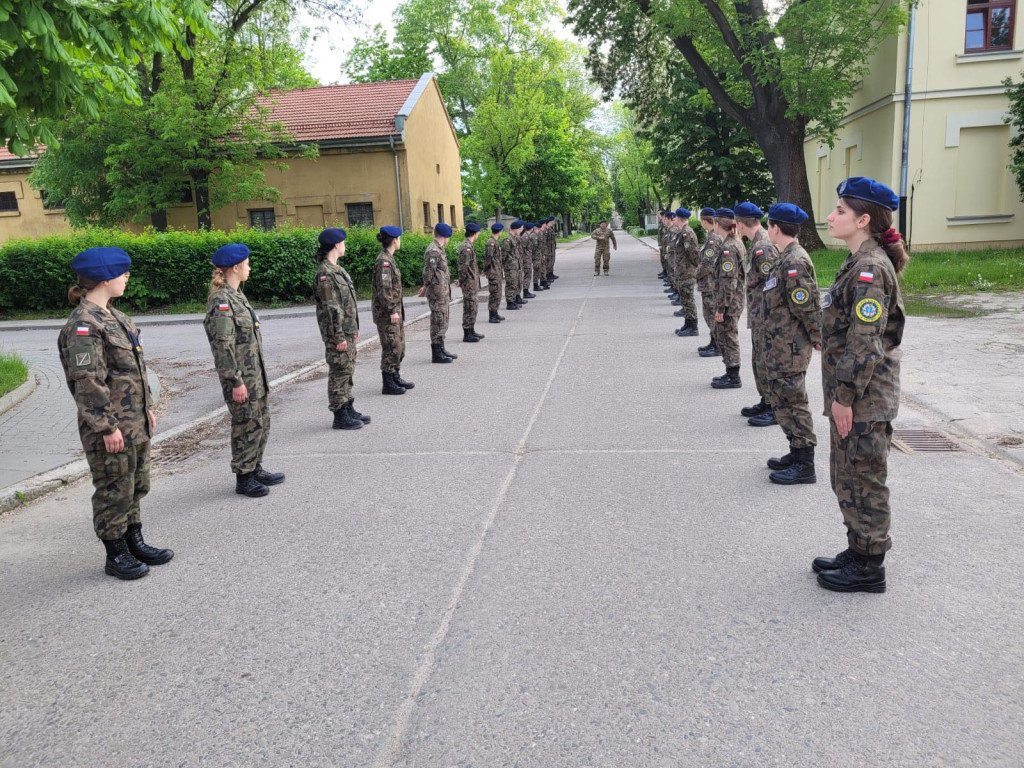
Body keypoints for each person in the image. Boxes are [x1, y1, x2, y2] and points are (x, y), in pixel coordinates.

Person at [814, 177, 908, 594]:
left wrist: (845, 397)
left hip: (864, 398)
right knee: (847, 476)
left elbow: (865, 342)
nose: (831, 217)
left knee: (864, 479)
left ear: (863, 219)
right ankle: (859, 548)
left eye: (839, 211)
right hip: (854, 395)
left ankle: (871, 567)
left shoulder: (870, 268)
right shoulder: (858, 261)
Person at [58, 246, 172, 580]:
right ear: (106, 278)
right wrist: (106, 427)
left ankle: (134, 541)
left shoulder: (115, 317)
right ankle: (115, 554)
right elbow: (87, 381)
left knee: (134, 485)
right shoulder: (83, 326)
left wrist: (147, 408)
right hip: (110, 426)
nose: (127, 277)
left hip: (133, 421)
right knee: (113, 489)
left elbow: (135, 369)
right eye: (123, 273)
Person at [203, 243, 285, 498]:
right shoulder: (222, 301)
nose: (250, 268)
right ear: (236, 268)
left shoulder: (236, 295)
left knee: (260, 422)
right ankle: (244, 476)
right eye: (247, 264)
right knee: (246, 424)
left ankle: (255, 466)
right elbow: (223, 347)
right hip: (240, 378)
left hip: (254, 376)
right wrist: (234, 381)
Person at [760, 204, 821, 485]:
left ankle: (805, 464)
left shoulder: (794, 261)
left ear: (775, 227)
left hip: (790, 346)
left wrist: (818, 337)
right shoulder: (784, 257)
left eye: (769, 225)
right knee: (783, 399)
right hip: (779, 344)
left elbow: (806, 305)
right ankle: (796, 452)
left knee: (793, 401)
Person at [313, 227, 368, 431]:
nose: (345, 246)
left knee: (347, 368)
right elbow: (330, 307)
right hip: (336, 334)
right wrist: (338, 336)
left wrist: (352, 327)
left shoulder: (337, 269)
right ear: (336, 244)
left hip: (346, 330)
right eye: (343, 242)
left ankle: (348, 406)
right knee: (339, 371)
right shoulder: (325, 273)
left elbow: (347, 303)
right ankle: (339, 414)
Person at [735, 202, 779, 423]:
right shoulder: (757, 244)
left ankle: (774, 407)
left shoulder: (764, 247)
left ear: (741, 224)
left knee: (766, 361)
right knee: (758, 360)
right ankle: (766, 400)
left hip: (766, 315)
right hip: (758, 314)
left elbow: (773, 285)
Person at [372, 226, 415, 394]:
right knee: (391, 346)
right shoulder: (384, 261)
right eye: (399, 238)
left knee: (398, 345)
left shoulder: (389, 258)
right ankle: (388, 382)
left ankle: (395, 375)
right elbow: (384, 289)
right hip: (387, 313)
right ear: (394, 240)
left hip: (394, 310)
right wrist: (392, 310)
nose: (400, 241)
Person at [710, 208, 746, 388]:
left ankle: (734, 376)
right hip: (734, 300)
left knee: (728, 337)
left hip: (730, 302)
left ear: (717, 224)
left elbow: (728, 281)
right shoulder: (734, 242)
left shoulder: (728, 248)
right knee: (725, 335)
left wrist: (720, 308)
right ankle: (730, 372)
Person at [422, 223, 457, 363]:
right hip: (437, 293)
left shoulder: (439, 249)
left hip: (442, 292)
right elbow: (428, 272)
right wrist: (426, 286)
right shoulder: (433, 251)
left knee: (443, 319)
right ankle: (436, 352)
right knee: (438, 320)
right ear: (445, 236)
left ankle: (441, 347)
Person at [696, 207, 722, 357]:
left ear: (705, 221)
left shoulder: (713, 239)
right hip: (708, 283)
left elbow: (707, 263)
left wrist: (696, 274)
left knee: (711, 314)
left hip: (710, 283)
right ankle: (713, 341)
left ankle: (717, 345)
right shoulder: (711, 236)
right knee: (709, 314)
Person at [672, 208, 700, 336]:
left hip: (687, 272)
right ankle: (687, 323)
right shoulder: (682, 232)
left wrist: (693, 270)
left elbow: (694, 255)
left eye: (675, 217)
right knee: (685, 299)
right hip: (682, 272)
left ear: (679, 218)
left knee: (689, 300)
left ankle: (693, 327)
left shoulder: (687, 233)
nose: (674, 219)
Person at [458, 222, 486, 342]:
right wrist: (462, 281)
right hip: (468, 283)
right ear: (475, 233)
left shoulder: (469, 245)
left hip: (471, 282)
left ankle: (471, 330)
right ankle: (467, 332)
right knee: (469, 306)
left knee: (473, 306)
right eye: (478, 233)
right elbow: (463, 267)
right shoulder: (466, 247)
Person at [485, 222, 506, 323]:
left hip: (497, 271)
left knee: (498, 293)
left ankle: (495, 312)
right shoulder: (491, 243)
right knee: (494, 294)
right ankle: (491, 315)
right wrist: (487, 271)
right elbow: (488, 259)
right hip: (493, 272)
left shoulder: (495, 242)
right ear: (499, 231)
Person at [502, 220, 525, 311]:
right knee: (511, 284)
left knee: (515, 283)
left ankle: (514, 300)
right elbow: (504, 255)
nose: (521, 231)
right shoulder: (508, 240)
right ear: (515, 229)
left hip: (515, 266)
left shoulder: (514, 238)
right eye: (520, 229)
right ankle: (510, 302)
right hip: (510, 267)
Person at [521, 222, 537, 298]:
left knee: (528, 274)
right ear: (531, 228)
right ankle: (525, 292)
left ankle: (526, 290)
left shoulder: (527, 236)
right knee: (527, 275)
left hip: (528, 258)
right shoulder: (525, 237)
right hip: (525, 259)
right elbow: (522, 250)